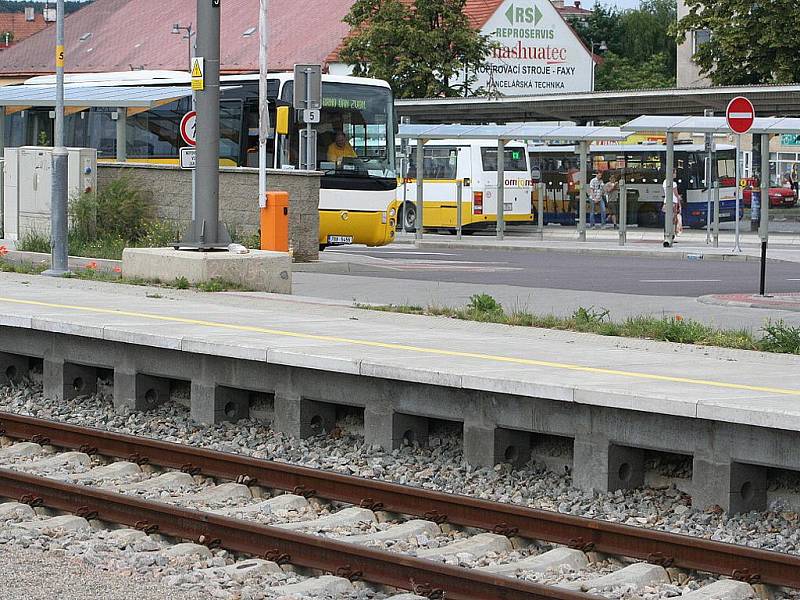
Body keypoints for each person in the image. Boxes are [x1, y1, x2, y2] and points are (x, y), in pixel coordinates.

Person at [662, 169, 683, 236]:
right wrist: (680, 203)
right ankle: (672, 234)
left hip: (666, 202)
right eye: (675, 173)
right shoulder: (673, 183)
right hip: (673, 202)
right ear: (672, 174)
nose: (675, 174)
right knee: (673, 219)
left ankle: (667, 234)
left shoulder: (665, 182)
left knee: (668, 219)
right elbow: (676, 194)